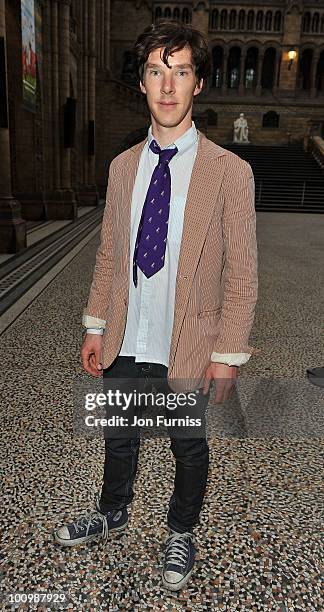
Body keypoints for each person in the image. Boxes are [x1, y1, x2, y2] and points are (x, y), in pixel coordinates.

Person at [54, 19, 258, 591]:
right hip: (127, 331)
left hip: (189, 340)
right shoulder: (122, 169)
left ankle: (181, 531)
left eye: (181, 72)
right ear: (142, 84)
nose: (168, 86)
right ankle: (113, 511)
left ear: (199, 85)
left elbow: (242, 272)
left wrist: (229, 354)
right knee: (119, 435)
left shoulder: (230, 172)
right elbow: (109, 255)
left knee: (188, 445)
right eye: (155, 72)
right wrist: (95, 327)